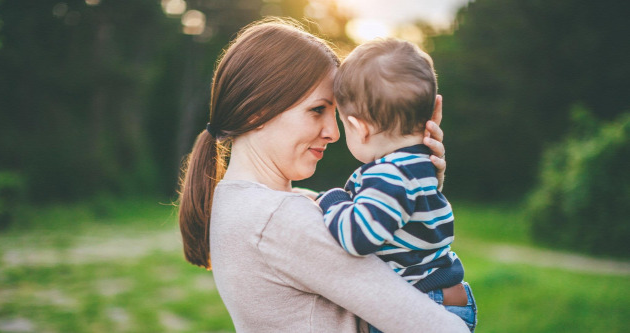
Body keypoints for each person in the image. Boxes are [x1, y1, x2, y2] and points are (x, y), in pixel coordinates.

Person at [178, 18, 468, 333]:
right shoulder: (280, 218)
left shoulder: (240, 203)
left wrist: (416, 180)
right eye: (318, 110)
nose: (332, 132)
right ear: (256, 112)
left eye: (335, 113)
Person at [315, 38, 477, 332]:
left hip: (426, 302)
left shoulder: (389, 175)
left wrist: (332, 200)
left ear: (360, 128)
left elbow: (358, 237)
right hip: (444, 298)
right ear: (432, 111)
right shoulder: (422, 163)